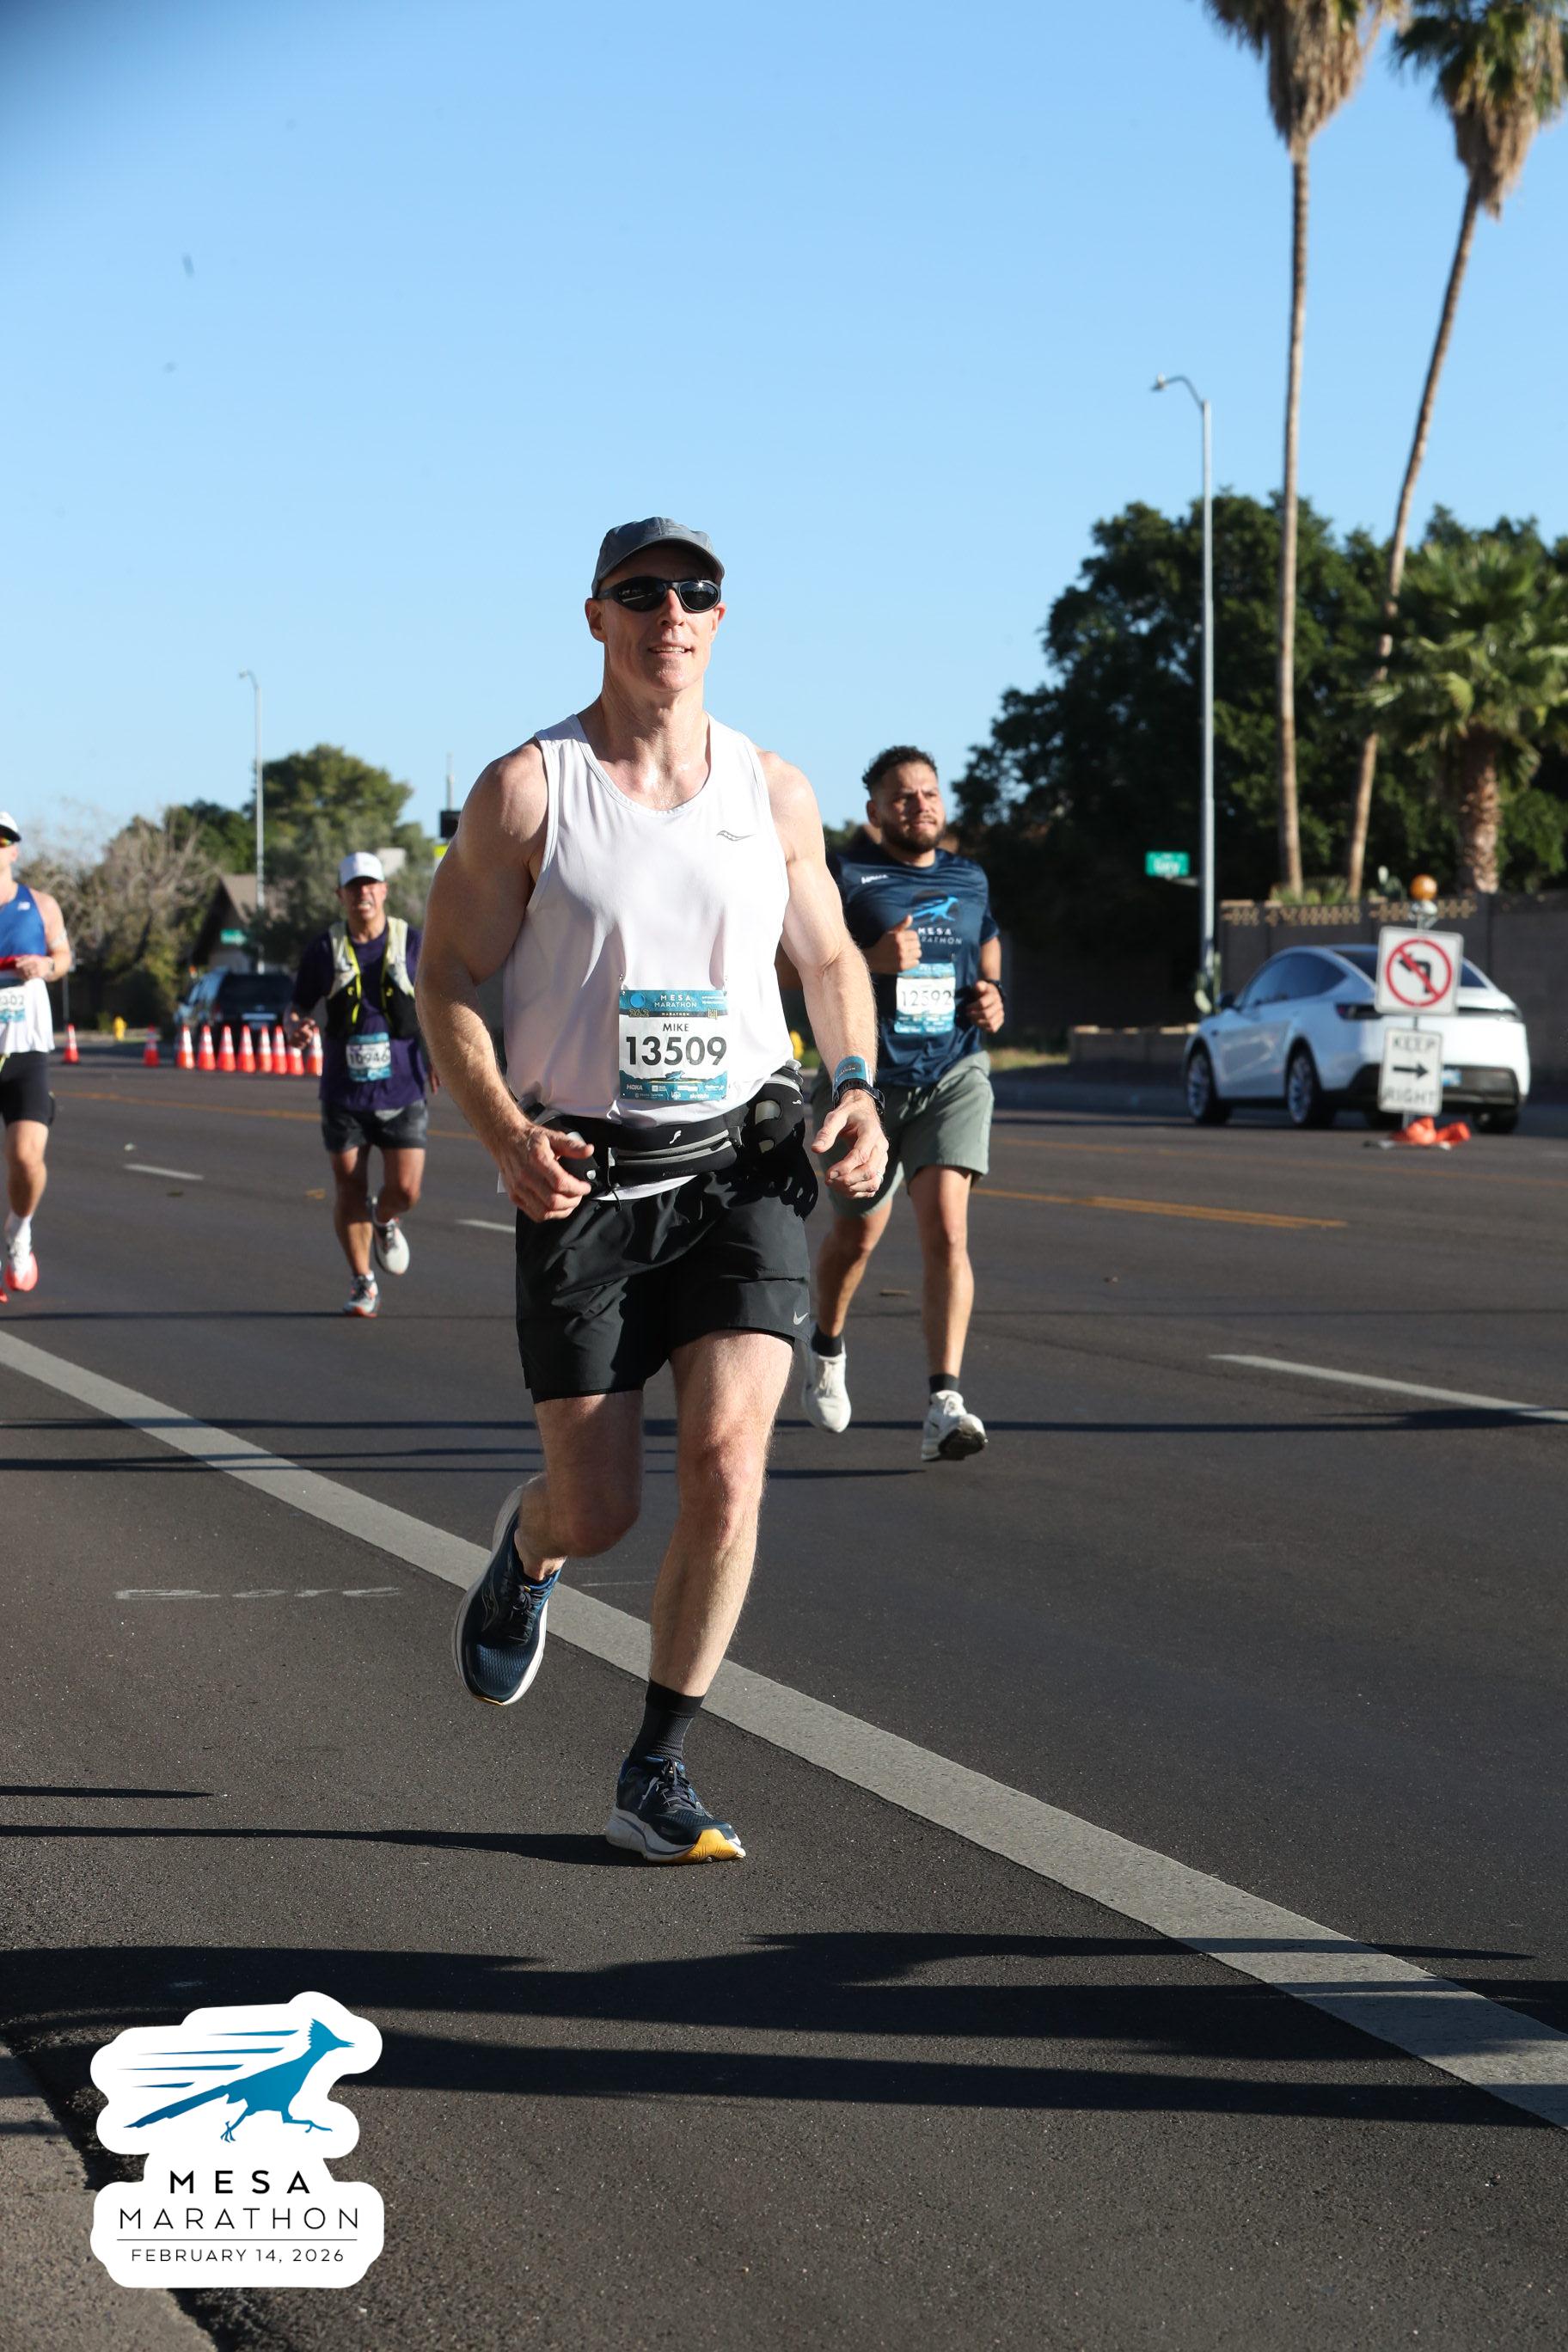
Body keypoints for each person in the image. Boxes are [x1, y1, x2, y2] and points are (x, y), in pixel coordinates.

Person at [417, 517, 885, 1865]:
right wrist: (505, 1129)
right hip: (583, 1182)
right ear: (597, 617)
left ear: (721, 618)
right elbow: (447, 977)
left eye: (694, 591)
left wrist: (854, 1081)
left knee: (731, 1466)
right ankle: (533, 1547)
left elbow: (828, 959)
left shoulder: (772, 790)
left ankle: (657, 1767)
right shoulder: (529, 790)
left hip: (744, 1166)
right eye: (641, 592)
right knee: (604, 1507)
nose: (669, 612)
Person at [795, 746, 1004, 1461]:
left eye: (929, 793)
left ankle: (946, 1403)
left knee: (948, 1231)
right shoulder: (845, 875)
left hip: (953, 1072)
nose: (920, 806)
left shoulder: (968, 876)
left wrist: (993, 994)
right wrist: (872, 960)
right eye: (903, 797)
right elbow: (800, 963)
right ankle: (826, 1343)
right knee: (859, 1236)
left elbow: (987, 944)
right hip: (870, 1084)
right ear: (876, 811)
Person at [287, 853, 430, 1319]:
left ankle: (385, 1218)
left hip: (403, 1088)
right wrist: (296, 1028)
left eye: (370, 885)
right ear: (341, 895)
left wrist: (442, 1056)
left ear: (384, 890)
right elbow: (297, 1008)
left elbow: (441, 999)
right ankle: (363, 1280)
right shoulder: (324, 949)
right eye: (353, 887)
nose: (362, 893)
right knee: (349, 1188)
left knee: (405, 1190)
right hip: (344, 1094)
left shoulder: (412, 942)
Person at [0, 811, 71, 1299]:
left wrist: (45, 965)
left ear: (15, 850)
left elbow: (64, 958)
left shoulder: (41, 904)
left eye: (2, 841)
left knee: (26, 1158)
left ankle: (19, 1230)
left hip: (25, 1050)